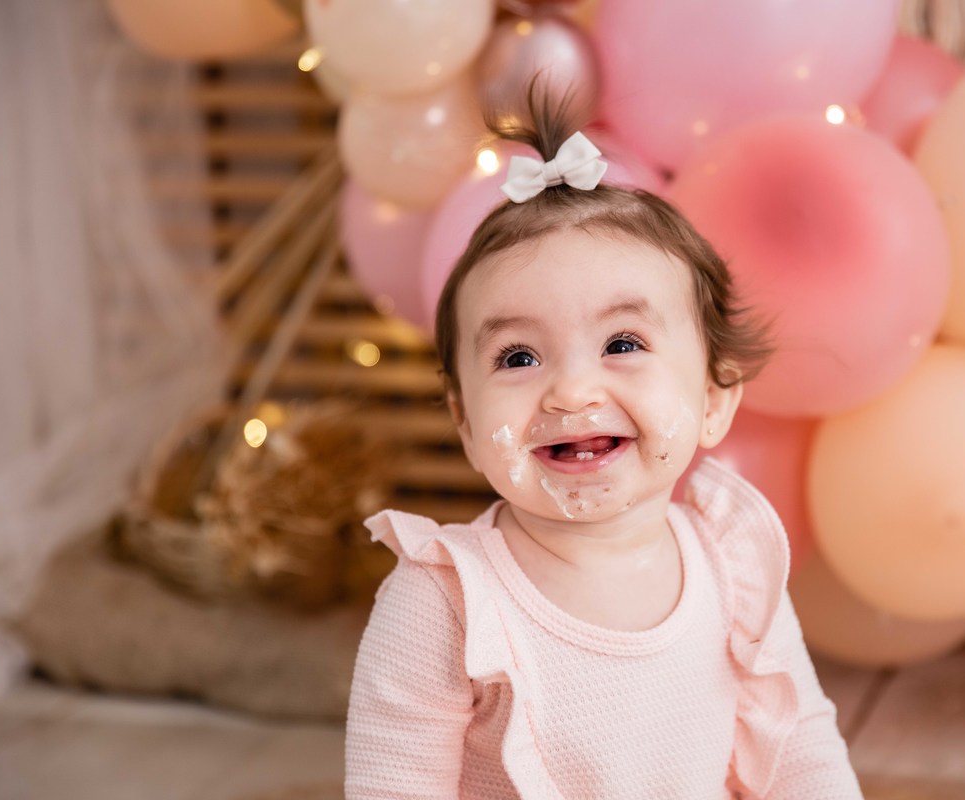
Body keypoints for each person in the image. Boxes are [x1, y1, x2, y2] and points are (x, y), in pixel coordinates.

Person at [344, 91, 863, 799]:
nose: (572, 392)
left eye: (622, 344)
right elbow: (394, 786)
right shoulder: (445, 602)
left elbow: (803, 753)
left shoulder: (732, 565)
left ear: (712, 402)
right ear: (465, 424)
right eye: (518, 358)